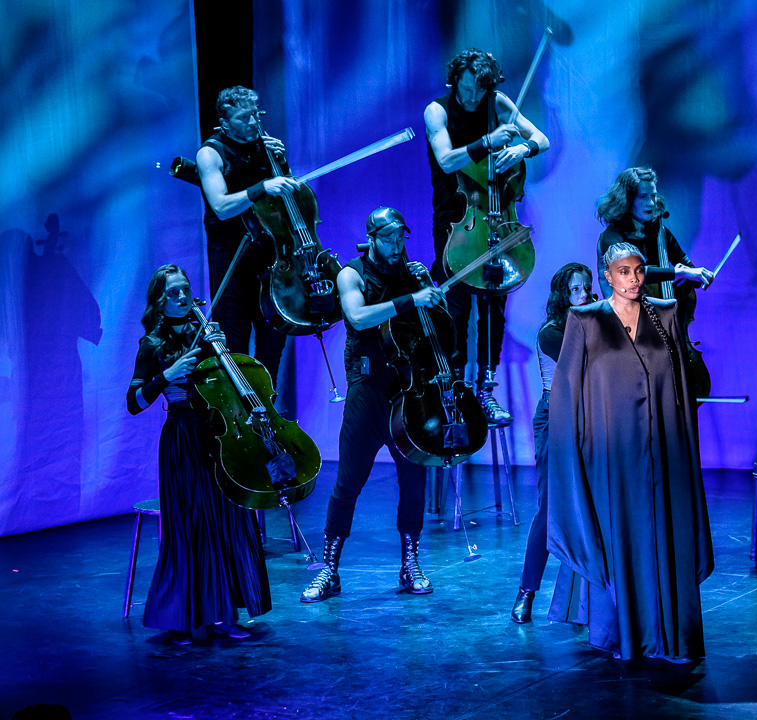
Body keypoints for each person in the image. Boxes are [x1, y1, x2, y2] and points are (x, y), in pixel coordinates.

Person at [546, 243, 714, 662]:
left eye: (639, 270)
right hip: (610, 454)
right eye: (624, 272)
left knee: (664, 531)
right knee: (619, 533)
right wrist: (573, 450)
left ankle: (669, 633)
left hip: (663, 450)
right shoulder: (586, 320)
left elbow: (679, 385)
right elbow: (567, 393)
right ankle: (624, 632)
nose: (634, 279)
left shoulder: (665, 314)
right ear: (607, 276)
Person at [301, 208, 447, 602]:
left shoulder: (412, 274)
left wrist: (431, 295)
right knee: (348, 483)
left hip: (408, 393)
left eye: (401, 238)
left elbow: (440, 332)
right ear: (372, 239)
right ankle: (329, 569)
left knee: (414, 481)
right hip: (367, 393)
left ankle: (410, 563)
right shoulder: (351, 274)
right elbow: (358, 316)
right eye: (389, 239)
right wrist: (411, 299)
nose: (397, 246)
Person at [126, 264, 271, 644]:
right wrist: (166, 375)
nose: (182, 296)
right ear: (159, 300)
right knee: (188, 527)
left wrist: (222, 349)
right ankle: (181, 619)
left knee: (230, 521)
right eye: (172, 292)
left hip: (217, 435)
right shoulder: (152, 345)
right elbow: (134, 402)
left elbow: (229, 383)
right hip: (182, 439)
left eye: (185, 289)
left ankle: (226, 614)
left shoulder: (205, 333)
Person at [425, 48, 550, 426]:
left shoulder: (497, 102)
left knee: (494, 308)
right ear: (455, 81)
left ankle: (485, 392)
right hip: (457, 221)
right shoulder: (438, 110)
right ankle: (455, 395)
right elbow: (446, 159)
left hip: (498, 221)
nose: (472, 97)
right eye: (466, 88)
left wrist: (522, 148)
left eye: (479, 90)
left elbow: (542, 139)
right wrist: (489, 141)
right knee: (456, 310)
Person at [196, 85, 302, 385]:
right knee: (235, 348)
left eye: (256, 115)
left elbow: (288, 204)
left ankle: (268, 409)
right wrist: (262, 187)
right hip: (232, 263)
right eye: (244, 117)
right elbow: (220, 206)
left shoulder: (265, 148)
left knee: (273, 346)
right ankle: (241, 412)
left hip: (270, 262)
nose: (254, 122)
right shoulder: (210, 153)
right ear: (224, 122)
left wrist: (282, 166)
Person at [511, 262, 594, 624]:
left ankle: (587, 603)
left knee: (593, 506)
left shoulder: (593, 322)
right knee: (549, 510)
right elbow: (588, 363)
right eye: (576, 289)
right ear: (563, 295)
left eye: (587, 287)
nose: (584, 294)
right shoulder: (551, 332)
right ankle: (526, 591)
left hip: (589, 417)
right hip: (556, 418)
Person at [595, 166, 714, 309]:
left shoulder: (660, 233)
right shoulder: (612, 237)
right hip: (622, 316)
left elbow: (689, 271)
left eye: (653, 196)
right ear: (627, 200)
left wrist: (699, 276)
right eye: (643, 196)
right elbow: (633, 273)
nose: (651, 203)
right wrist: (679, 273)